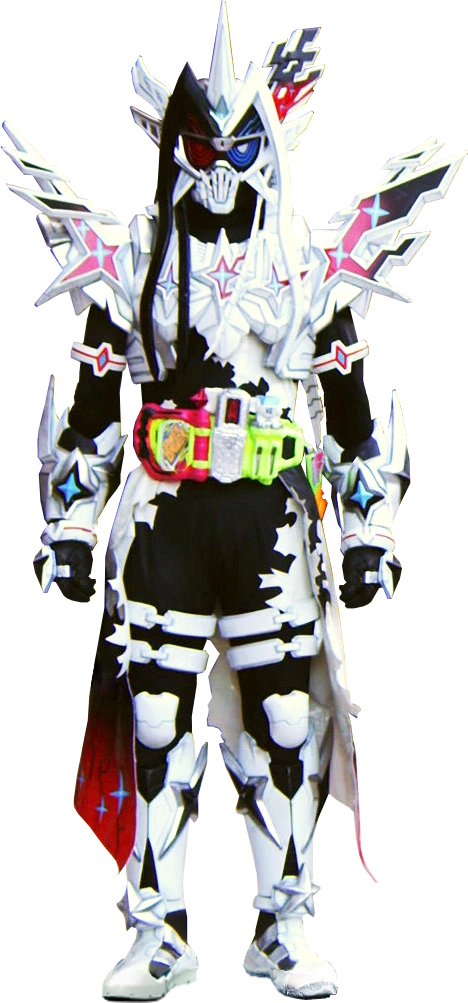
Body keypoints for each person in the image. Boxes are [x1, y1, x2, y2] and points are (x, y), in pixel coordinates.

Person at [2, 4, 464, 999]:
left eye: (237, 146)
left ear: (270, 143)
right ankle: (158, 930)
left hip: (268, 519)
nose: (218, 169)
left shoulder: (305, 268)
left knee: (287, 719)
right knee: (155, 722)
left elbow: (351, 408)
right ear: (173, 146)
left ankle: (282, 926)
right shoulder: (133, 264)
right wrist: (70, 525)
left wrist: (367, 531)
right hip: (163, 516)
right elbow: (91, 406)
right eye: (202, 148)